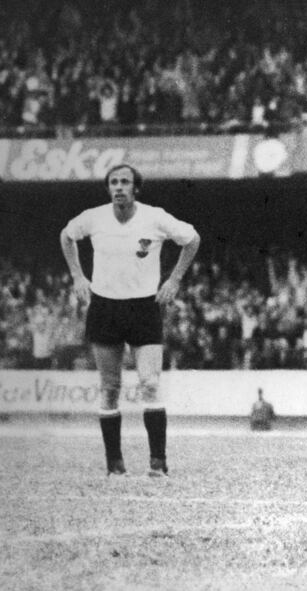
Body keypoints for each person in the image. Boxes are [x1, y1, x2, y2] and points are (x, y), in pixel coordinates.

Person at [60, 164, 200, 477]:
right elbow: (66, 236)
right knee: (110, 387)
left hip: (144, 307)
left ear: (136, 188)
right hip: (105, 306)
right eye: (113, 182)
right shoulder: (94, 217)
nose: (119, 187)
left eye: (125, 182)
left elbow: (192, 239)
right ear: (108, 188)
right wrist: (77, 276)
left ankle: (158, 462)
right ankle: (115, 464)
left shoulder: (155, 217)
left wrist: (174, 279)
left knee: (150, 383)